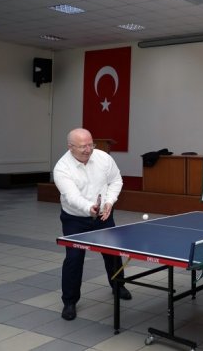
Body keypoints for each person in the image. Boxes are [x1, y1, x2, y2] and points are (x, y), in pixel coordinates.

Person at [53, 128, 131, 321]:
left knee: (112, 253)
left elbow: (116, 181)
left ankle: (118, 286)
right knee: (74, 259)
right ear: (70, 147)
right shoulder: (62, 168)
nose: (88, 150)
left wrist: (109, 202)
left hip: (103, 215)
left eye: (91, 144)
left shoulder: (103, 158)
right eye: (82, 146)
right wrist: (90, 208)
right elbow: (71, 197)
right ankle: (69, 302)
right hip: (75, 219)